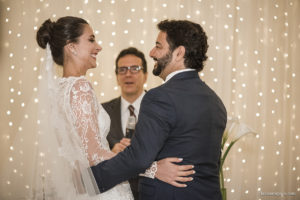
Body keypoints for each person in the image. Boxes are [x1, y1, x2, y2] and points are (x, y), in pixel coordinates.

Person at [27, 16, 193, 199]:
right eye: (91, 40)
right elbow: (94, 155)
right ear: (71, 46)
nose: (98, 46)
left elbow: (74, 156)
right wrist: (153, 169)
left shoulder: (57, 90)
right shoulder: (80, 88)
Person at [91, 19, 227, 200]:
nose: (152, 53)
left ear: (179, 53)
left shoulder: (160, 97)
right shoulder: (216, 102)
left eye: (158, 46)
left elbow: (137, 158)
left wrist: (87, 181)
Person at [102, 47, 148, 199]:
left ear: (145, 75)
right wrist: (111, 154)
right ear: (116, 77)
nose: (128, 74)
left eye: (135, 69)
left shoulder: (161, 108)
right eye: (122, 69)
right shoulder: (102, 111)